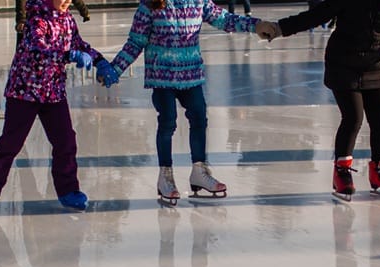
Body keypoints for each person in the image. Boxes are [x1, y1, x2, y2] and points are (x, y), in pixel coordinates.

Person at [258, 0, 380, 201]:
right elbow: (317, 15)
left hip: (374, 65)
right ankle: (341, 172)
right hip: (342, 63)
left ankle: (379, 170)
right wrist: (279, 28)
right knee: (353, 117)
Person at [100, 0, 271, 202]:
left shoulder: (197, 2)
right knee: (168, 122)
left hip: (191, 74)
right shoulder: (150, 5)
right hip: (162, 75)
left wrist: (255, 25)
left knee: (199, 118)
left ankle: (199, 171)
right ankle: (165, 176)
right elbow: (136, 42)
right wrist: (115, 68)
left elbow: (224, 19)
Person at [0, 0, 109, 213]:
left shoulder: (68, 19)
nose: (66, 1)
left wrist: (99, 60)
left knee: (65, 141)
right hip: (24, 92)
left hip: (53, 93)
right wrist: (68, 56)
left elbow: (79, 44)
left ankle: (68, 191)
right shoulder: (36, 19)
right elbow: (39, 50)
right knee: (11, 142)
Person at [15, 0, 90, 44]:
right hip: (34, 18)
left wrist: (84, 10)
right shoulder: (34, 22)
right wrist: (22, 20)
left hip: (52, 17)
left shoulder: (67, 20)